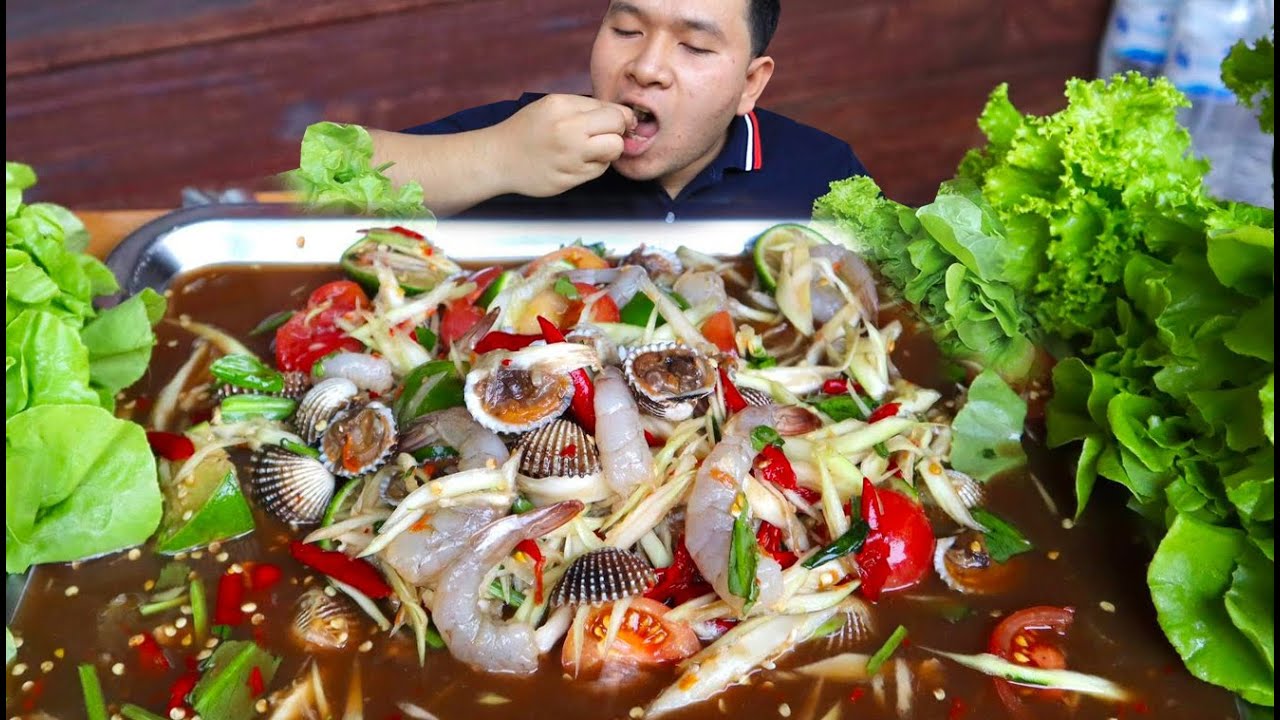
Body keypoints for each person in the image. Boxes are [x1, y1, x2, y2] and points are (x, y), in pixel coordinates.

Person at [369, 0, 868, 220]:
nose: (646, 68)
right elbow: (327, 179)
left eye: (694, 46)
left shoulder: (825, 174)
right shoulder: (527, 132)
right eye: (627, 31)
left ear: (750, 84)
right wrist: (498, 157)